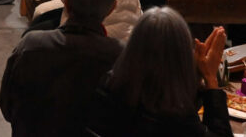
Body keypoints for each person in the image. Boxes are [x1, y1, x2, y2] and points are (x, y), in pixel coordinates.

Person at [0, 0, 122, 137]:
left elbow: (7, 106)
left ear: (66, 1)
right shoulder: (119, 58)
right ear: (112, 8)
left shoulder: (31, 46)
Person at [87, 8, 230, 137]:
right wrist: (210, 78)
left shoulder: (106, 89)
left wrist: (197, 77)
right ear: (182, 57)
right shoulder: (175, 117)